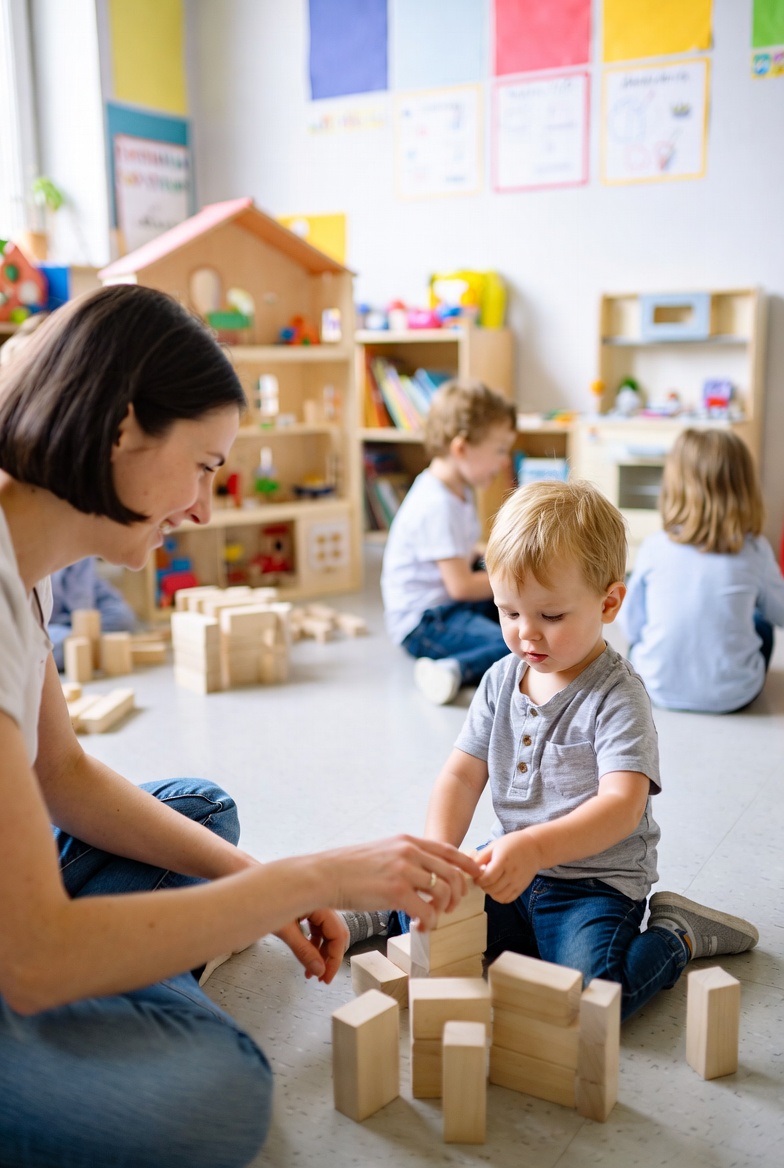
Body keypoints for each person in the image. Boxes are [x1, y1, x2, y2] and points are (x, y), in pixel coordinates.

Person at [0, 284, 480, 1168]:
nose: (204, 508)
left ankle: (114, 978)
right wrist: (315, 874)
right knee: (219, 1092)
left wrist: (264, 886)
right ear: (122, 429)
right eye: (205, 466)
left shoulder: (25, 560)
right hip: (18, 952)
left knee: (200, 810)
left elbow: (61, 774)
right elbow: (28, 958)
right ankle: (109, 993)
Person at [404, 479, 758, 1021]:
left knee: (598, 1000)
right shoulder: (499, 680)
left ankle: (676, 934)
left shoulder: (618, 694)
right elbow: (461, 775)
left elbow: (621, 806)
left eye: (550, 616)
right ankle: (381, 913)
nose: (526, 634)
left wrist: (534, 847)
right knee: (426, 913)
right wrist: (439, 854)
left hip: (593, 888)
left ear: (609, 602)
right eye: (508, 612)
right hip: (512, 868)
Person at [621, 428, 784, 713]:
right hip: (734, 694)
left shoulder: (654, 546)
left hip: (656, 687)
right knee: (760, 622)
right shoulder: (754, 549)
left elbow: (631, 624)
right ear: (745, 488)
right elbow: (780, 613)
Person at [381, 379, 517, 705]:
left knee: (521, 614)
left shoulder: (457, 490)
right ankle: (451, 668)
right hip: (425, 623)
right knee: (514, 644)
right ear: (461, 448)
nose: (504, 462)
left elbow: (463, 550)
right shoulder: (436, 504)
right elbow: (461, 586)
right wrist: (515, 578)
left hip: (446, 605)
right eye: (499, 450)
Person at [49, 558, 139, 669]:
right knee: (55, 648)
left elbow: (98, 590)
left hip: (84, 615)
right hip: (50, 624)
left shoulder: (83, 559)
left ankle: (86, 642)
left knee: (124, 619)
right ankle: (83, 643)